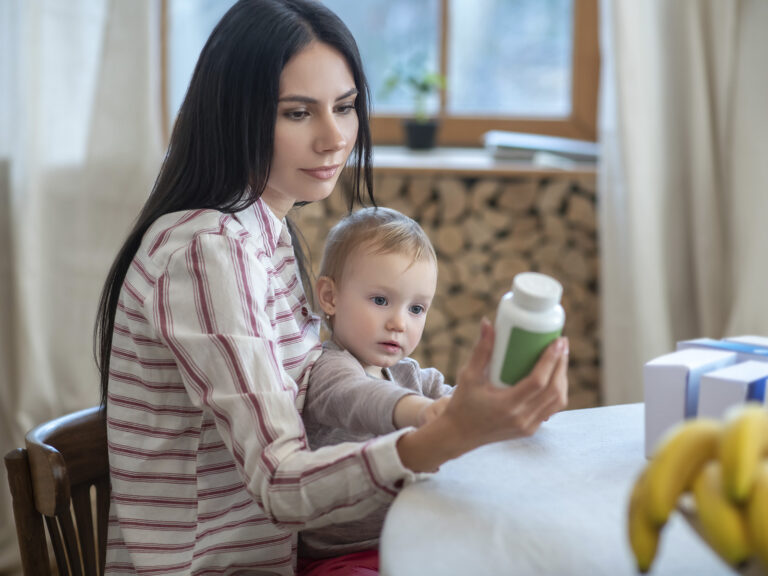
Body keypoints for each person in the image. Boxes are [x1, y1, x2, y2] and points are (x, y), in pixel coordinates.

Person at [94, 1, 570, 574]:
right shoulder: (208, 253)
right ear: (234, 114)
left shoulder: (262, 234)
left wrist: (440, 412)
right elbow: (281, 483)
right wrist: (443, 436)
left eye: (345, 107)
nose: (334, 138)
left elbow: (323, 388)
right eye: (298, 113)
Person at [299, 207, 453, 563]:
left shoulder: (411, 376)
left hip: (408, 540)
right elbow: (360, 398)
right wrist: (422, 411)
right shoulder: (328, 368)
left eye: (416, 309)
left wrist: (498, 404)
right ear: (330, 297)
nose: (399, 322)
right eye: (381, 301)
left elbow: (459, 403)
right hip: (340, 557)